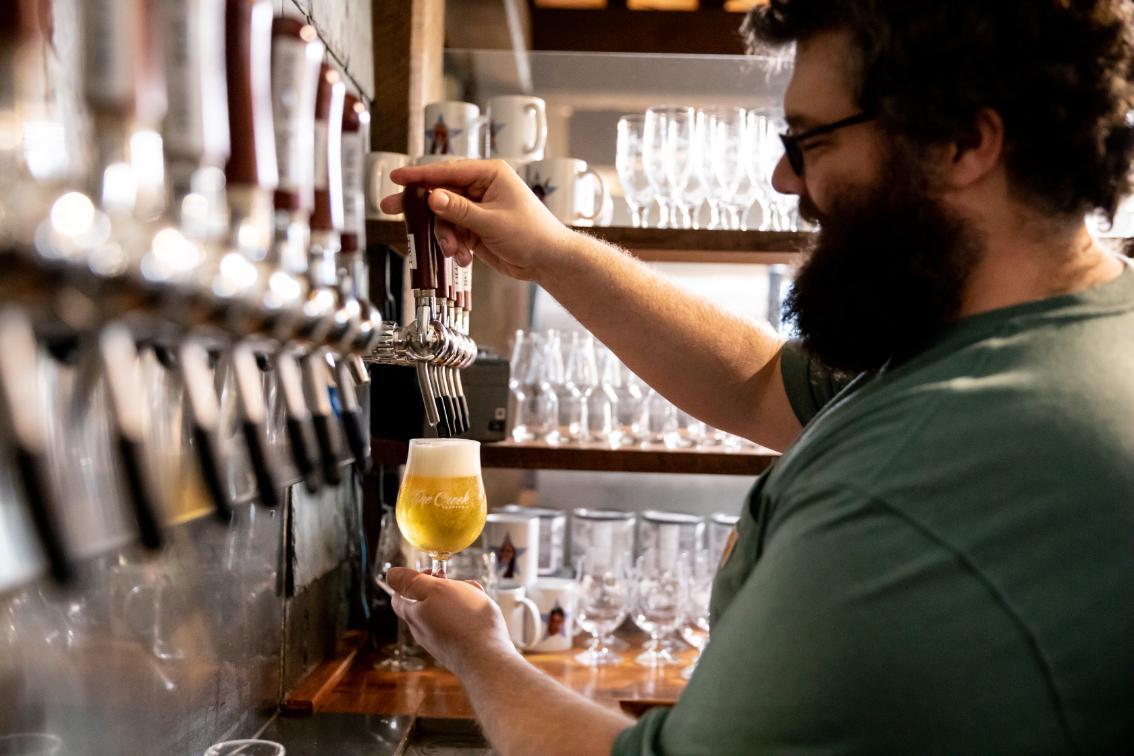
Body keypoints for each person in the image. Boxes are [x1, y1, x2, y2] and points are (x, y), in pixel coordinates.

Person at [381, 1, 1134, 753]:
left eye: (808, 141)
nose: (782, 179)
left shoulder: (923, 477)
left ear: (962, 141)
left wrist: (477, 651)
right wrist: (553, 251)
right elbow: (759, 382)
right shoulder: (1037, 334)